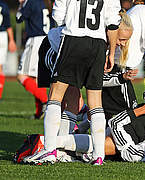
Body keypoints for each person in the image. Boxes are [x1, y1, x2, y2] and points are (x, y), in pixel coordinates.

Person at [23, 0, 121, 165]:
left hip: (72, 39)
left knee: (55, 95)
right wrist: (111, 53)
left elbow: (58, 16)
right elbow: (112, 23)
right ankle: (98, 155)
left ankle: (49, 149)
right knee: (95, 101)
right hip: (98, 44)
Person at [16, 0, 54, 119]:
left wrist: (22, 4)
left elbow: (19, 18)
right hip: (48, 40)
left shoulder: (31, 2)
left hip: (35, 40)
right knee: (37, 79)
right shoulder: (47, 2)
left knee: (22, 76)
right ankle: (39, 112)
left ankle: (46, 101)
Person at [0, 0, 17, 100]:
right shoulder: (3, 5)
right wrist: (11, 40)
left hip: (2, 34)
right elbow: (8, 25)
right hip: (2, 35)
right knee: (0, 67)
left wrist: (11, 40)